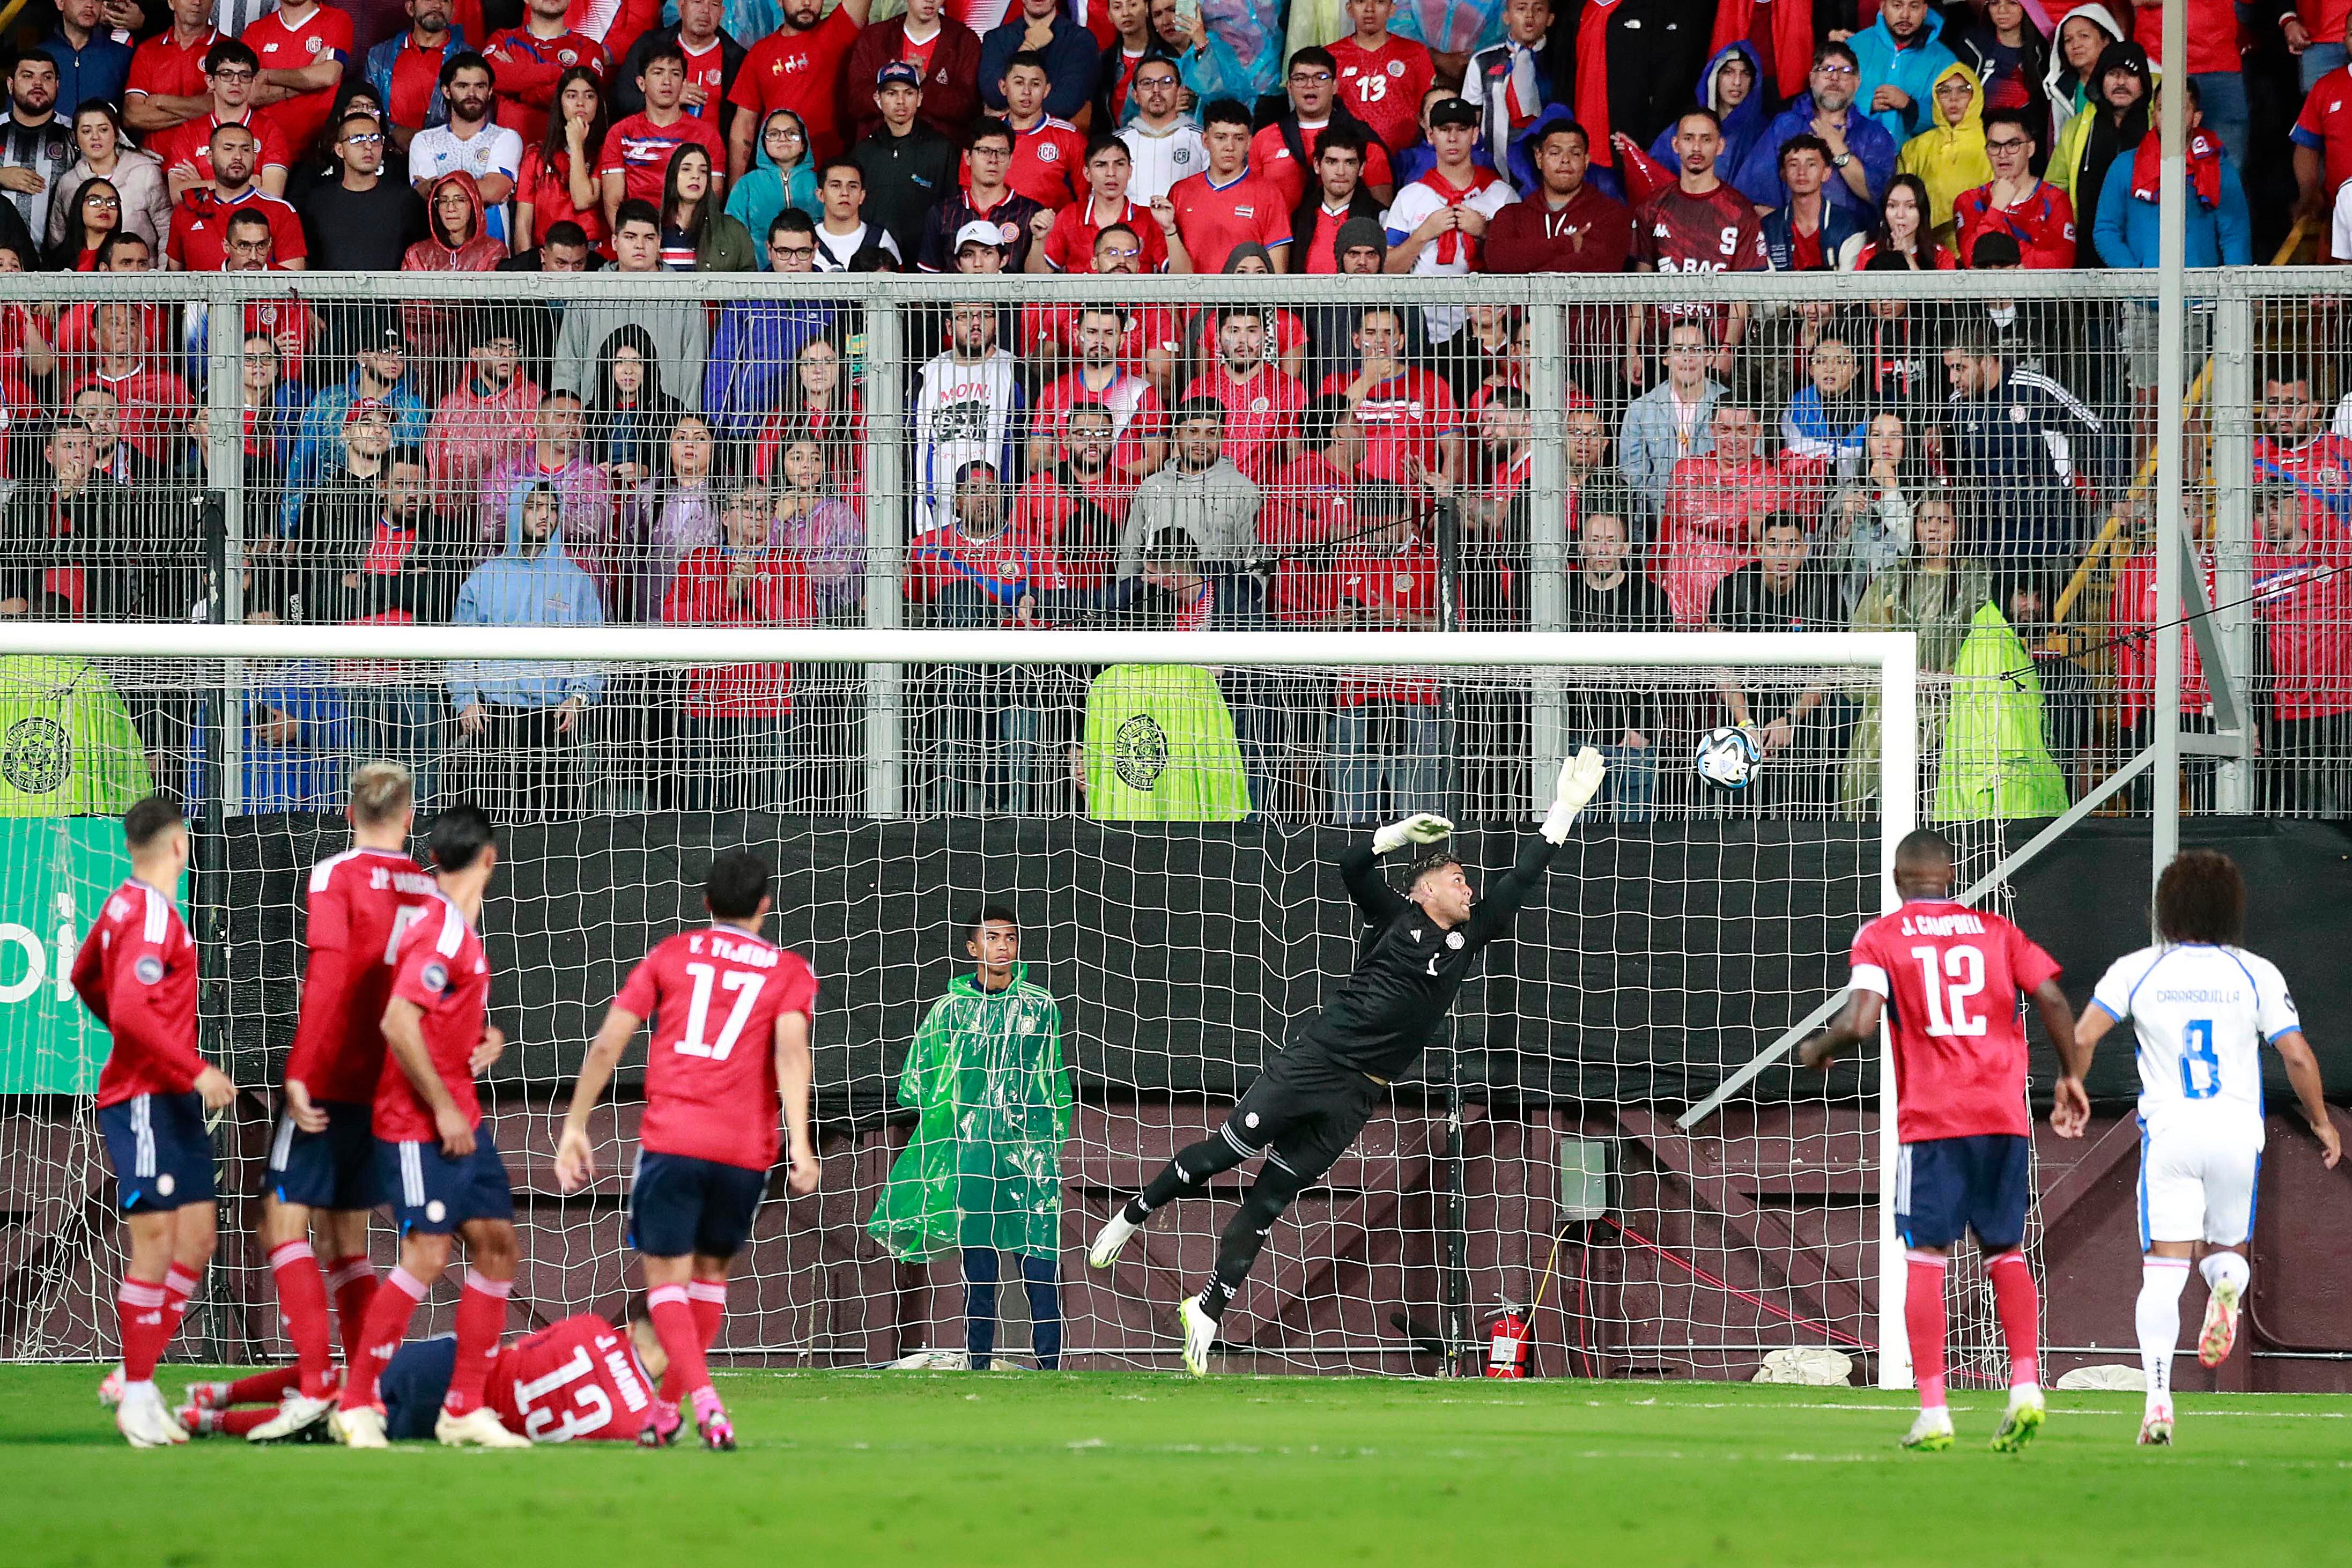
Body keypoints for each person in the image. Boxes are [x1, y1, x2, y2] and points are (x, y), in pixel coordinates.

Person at [1089, 751, 1609, 1374]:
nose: (1470, 886)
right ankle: (1133, 1213)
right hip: (1315, 1062)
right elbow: (1351, 864)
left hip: (1359, 1095)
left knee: (1271, 1198)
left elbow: (1522, 878)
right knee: (1225, 1153)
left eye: (1470, 879)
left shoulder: (1466, 939)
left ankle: (1207, 1307)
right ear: (1423, 888)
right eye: (1457, 878)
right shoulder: (1396, 917)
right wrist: (1394, 836)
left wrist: (1565, 808)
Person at [1797, 826, 2073, 1453]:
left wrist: (1821, 1047)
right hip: (2004, 1116)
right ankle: (2027, 1386)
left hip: (1934, 1123)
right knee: (2006, 1252)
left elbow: (1863, 1020)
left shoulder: (1881, 936)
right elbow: (2052, 995)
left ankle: (1934, 1409)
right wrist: (2074, 1074)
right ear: (1950, 876)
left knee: (1926, 1259)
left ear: (1898, 879)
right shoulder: (1997, 933)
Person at [2058, 849, 2341, 1447]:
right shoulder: (2256, 972)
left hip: (2173, 1133)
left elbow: (2083, 1036)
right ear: (2231, 910)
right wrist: (2321, 1120)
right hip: (2238, 1133)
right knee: (2227, 1249)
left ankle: (2159, 1398)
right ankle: (2228, 1285)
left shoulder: (2136, 969)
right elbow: (2296, 1054)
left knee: (2162, 1273)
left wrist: (2072, 1086)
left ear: (2165, 909)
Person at [557, 850, 819, 1448]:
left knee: (667, 1283)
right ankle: (665, 1410)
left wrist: (576, 1123)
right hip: (744, 1151)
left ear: (705, 903)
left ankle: (700, 1400)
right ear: (764, 905)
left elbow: (608, 1043)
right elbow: (791, 1053)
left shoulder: (670, 954)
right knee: (709, 1279)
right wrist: (800, 1143)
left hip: (673, 1141)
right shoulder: (787, 970)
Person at [228, 764, 439, 1441]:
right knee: (349, 1240)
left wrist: (300, 1070)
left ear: (350, 813)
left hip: (332, 1077)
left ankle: (316, 1384)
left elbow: (328, 976)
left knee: (282, 1224)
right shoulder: (427, 889)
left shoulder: (335, 874)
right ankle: (362, 1390)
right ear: (409, 817)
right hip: (387, 1085)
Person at [325, 804, 522, 1450]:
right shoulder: (439, 929)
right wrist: (438, 1105)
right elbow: (399, 1021)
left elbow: (436, 1017)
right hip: (418, 1122)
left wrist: (482, 1036)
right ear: (489, 858)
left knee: (496, 1242)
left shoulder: (455, 930)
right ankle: (356, 1402)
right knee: (430, 1254)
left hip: (463, 1116)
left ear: (432, 858)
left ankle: (464, 1406)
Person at [70, 795, 236, 1447]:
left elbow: (85, 975)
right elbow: (135, 1011)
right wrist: (192, 1067)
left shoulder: (126, 904)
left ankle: (131, 1373)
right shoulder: (146, 914)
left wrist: (155, 1047)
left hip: (171, 1099)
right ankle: (138, 1390)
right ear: (180, 844)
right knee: (157, 1243)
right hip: (143, 1097)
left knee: (197, 1240)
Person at [869, 906, 1070, 1371]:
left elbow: (1054, 1079)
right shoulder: (949, 1011)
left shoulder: (1040, 1006)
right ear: (973, 948)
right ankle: (978, 1367)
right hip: (971, 1154)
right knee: (979, 1274)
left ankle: (1052, 1374)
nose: (1004, 946)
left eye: (1012, 938)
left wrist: (1048, 1139)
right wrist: (956, 1125)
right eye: (994, 937)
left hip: (1028, 1155)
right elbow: (919, 1081)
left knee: (1040, 1267)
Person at [191, 1304, 667, 1444]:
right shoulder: (638, 1422)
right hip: (464, 1420)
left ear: (630, 1326)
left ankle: (220, 1393)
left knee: (343, 1381)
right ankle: (205, 1424)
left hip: (451, 1369)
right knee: (321, 1425)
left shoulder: (591, 1329)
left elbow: (522, 1350)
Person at [448, 481, 607, 821]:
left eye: (551, 508)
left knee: (557, 830)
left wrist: (578, 698)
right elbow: (461, 648)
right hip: (493, 719)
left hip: (554, 721)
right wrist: (466, 700)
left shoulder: (576, 581)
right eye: (534, 506)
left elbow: (593, 648)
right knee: (492, 826)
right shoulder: (484, 578)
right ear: (517, 512)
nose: (544, 516)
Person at [1626, 108, 1762, 387]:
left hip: (1713, 353)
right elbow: (1640, 285)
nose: (1697, 148)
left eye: (1706, 139)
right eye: (1689, 138)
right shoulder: (1652, 208)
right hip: (1661, 351)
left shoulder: (1740, 211)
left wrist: (1727, 349)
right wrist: (1631, 347)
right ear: (1676, 144)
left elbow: (1743, 292)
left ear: (1720, 146)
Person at [2090, 81, 2252, 269]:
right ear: (2154, 116)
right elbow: (2106, 230)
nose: (2170, 116)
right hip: (2139, 295)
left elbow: (2235, 236)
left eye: (2181, 109)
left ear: (2196, 117)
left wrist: (2234, 294)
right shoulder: (2124, 166)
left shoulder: (2219, 167)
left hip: (2203, 296)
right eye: (2162, 109)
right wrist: (2135, 280)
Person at [1732, 43, 1896, 220]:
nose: (1835, 77)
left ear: (1858, 82)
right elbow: (1751, 199)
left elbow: (1882, 197)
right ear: (1812, 79)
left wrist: (1839, 150)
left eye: (1845, 71)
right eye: (1826, 69)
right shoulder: (1785, 126)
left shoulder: (1875, 135)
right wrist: (1791, 232)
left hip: (1855, 242)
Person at [725, 0, 872, 172]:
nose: (807, 3)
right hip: (776, 179)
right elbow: (744, 125)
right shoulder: (759, 54)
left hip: (829, 177)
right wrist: (737, 189)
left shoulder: (835, 32)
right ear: (780, 2)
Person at [914, 301, 1022, 530]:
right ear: (949, 327)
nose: (975, 323)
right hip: (937, 516)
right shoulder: (928, 375)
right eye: (964, 316)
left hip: (997, 516)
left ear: (996, 323)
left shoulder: (1015, 372)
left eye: (985, 316)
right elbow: (914, 449)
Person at [600, 42, 726, 225]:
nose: (667, 81)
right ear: (641, 83)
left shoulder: (707, 135)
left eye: (675, 74)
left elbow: (712, 202)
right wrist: (631, 243)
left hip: (688, 239)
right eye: (658, 73)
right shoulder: (620, 133)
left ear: (683, 83)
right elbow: (613, 203)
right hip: (638, 237)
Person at [406, 52, 522, 247]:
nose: (472, 94)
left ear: (490, 91)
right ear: (446, 91)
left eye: (480, 86)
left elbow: (495, 190)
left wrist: (441, 189)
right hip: (438, 252)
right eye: (462, 86)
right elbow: (425, 196)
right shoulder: (424, 140)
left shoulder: (507, 138)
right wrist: (480, 189)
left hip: (492, 250)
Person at [166, 120, 309, 272]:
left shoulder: (281, 211)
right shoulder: (186, 211)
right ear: (210, 157)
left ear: (255, 157)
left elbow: (292, 283)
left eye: (246, 150)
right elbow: (173, 282)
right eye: (228, 149)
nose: (238, 157)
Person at [853, 63, 961, 262]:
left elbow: (953, 210)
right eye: (892, 94)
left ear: (920, 98)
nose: (901, 101)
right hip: (875, 265)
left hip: (927, 264)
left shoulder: (941, 148)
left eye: (909, 93)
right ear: (878, 98)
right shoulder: (863, 151)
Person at [1168, 97, 1289, 272]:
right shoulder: (1180, 192)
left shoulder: (1269, 194)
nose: (1229, 147)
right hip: (1192, 299)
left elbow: (1277, 271)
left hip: (1245, 299)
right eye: (1221, 138)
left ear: (1249, 143)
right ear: (1205, 141)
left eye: (1238, 138)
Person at [1616, 320, 1723, 519]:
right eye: (1678, 349)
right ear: (1666, 358)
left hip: (1718, 521)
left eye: (1696, 349)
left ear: (1710, 357)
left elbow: (1748, 469)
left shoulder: (1730, 408)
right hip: (1659, 519)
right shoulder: (1641, 410)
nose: (1687, 358)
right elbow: (1633, 480)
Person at [1950, 106, 2076, 270]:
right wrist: (1996, 208)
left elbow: (2062, 263)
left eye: (2013, 144)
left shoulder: (2055, 199)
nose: (2003, 154)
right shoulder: (1969, 201)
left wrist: (1999, 254)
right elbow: (1971, 259)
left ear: (2030, 149)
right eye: (1994, 146)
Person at [483, 0, 613, 152]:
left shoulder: (589, 48)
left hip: (567, 156)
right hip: (509, 154)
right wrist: (558, 73)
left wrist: (519, 89)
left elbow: (581, 92)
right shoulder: (502, 38)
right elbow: (491, 77)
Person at [304, 108, 426, 269]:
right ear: (340, 150)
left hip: (392, 293)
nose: (369, 146)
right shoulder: (317, 203)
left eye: (376, 139)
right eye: (357, 139)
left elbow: (421, 258)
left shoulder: (405, 200)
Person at [847, 0, 981, 144]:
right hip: (880, 150)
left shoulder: (964, 40)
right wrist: (891, 82)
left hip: (939, 154)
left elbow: (968, 109)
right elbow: (855, 102)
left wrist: (924, 82)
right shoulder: (874, 37)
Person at [50, 102, 171, 255]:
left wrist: (159, 275)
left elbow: (168, 231)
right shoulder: (68, 183)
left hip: (140, 275)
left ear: (117, 134)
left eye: (103, 130)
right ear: (75, 138)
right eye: (86, 131)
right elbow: (58, 240)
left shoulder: (146, 173)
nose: (95, 137)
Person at [241, 0, 353, 159]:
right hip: (265, 149)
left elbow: (328, 75)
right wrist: (310, 78)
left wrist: (268, 76)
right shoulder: (256, 30)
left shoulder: (336, 19)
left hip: (319, 150)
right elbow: (247, 95)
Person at [1896, 62, 1988, 239]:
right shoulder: (1915, 148)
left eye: (1963, 90)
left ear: (1975, 95)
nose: (1954, 99)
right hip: (1928, 247)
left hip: (1980, 244)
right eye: (1944, 91)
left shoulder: (1992, 144)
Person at [1329, 0, 1436, 154]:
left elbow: (1429, 108)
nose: (1369, 9)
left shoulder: (1415, 53)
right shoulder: (1332, 56)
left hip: (1406, 158)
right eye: (1361, 2)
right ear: (1350, 9)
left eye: (1379, 2)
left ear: (1392, 9)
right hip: (1349, 161)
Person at [1851, 0, 1960, 143]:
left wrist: (1910, 106)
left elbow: (1953, 119)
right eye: (1897, 6)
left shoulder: (1945, 61)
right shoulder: (1855, 46)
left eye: (1914, 7)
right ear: (1883, 7)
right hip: (1855, 155)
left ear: (1925, 11)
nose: (1905, 15)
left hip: (1916, 160)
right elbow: (1829, 101)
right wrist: (1868, 104)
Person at [366, 0, 468, 153]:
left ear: (453, 11)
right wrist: (393, 132)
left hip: (444, 157)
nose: (437, 5)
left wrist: (428, 140)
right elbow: (365, 107)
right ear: (410, 8)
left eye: (445, 0)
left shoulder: (468, 59)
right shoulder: (379, 56)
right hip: (385, 155)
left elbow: (475, 116)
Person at [979, 0, 1098, 122]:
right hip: (1005, 136)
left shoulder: (1080, 40)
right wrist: (1028, 47)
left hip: (1057, 137)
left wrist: (1014, 111)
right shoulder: (996, 39)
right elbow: (994, 95)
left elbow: (1065, 103)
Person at [996, 48, 1086, 208]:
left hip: (1052, 231)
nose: (1026, 92)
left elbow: (1085, 200)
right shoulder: (985, 135)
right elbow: (971, 194)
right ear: (1003, 87)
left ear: (1047, 90)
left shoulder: (1070, 137)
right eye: (1018, 82)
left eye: (1035, 84)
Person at [726, 108, 816, 263]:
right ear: (763, 144)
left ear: (803, 144)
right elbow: (732, 235)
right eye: (774, 134)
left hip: (813, 275)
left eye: (792, 134)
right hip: (758, 277)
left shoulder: (819, 183)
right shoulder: (747, 185)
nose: (783, 139)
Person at [1115, 55, 1204, 203]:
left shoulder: (1203, 141)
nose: (1156, 90)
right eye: (1147, 83)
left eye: (1166, 82)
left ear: (1179, 91)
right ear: (1135, 95)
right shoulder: (1117, 144)